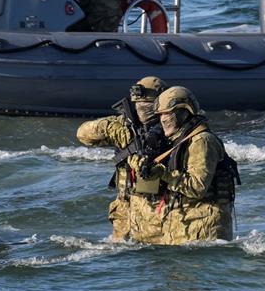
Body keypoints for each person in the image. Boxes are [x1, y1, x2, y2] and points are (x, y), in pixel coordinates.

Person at [75, 76, 168, 242]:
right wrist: (110, 128)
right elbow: (82, 134)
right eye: (139, 105)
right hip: (124, 212)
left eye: (148, 106)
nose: (143, 110)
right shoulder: (123, 124)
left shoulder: (171, 128)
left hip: (156, 213)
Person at [142, 86, 239, 244]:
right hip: (187, 227)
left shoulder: (202, 141)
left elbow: (197, 187)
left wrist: (163, 173)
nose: (163, 119)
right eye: (160, 114)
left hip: (204, 230)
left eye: (168, 113)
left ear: (184, 112)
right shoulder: (181, 141)